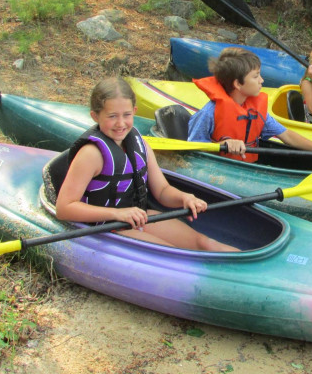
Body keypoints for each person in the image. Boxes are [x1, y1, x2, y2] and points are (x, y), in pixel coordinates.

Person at [56, 77, 238, 252]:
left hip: (139, 216)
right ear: (95, 116)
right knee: (175, 255)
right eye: (112, 116)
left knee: (206, 244)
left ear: (134, 111)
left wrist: (184, 198)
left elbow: (162, 191)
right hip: (108, 225)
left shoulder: (140, 144)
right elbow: (64, 208)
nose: (120, 123)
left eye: (126, 115)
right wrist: (117, 214)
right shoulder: (91, 154)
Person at [187, 46, 312, 163]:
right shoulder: (210, 113)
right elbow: (193, 147)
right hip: (220, 170)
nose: (262, 80)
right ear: (238, 84)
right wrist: (223, 145)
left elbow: (287, 135)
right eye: (256, 77)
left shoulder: (255, 111)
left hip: (247, 167)